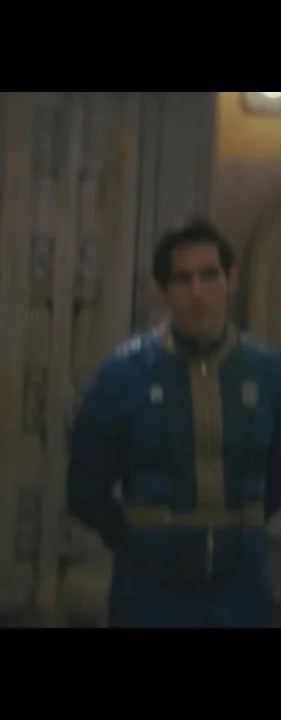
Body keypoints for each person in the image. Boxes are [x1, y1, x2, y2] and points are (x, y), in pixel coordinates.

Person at [68, 217, 281, 627]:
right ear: (163, 290)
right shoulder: (123, 374)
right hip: (151, 591)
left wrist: (242, 529)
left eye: (209, 275)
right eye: (182, 279)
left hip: (242, 587)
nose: (196, 292)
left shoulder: (267, 373)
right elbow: (84, 486)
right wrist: (137, 541)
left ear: (231, 279)